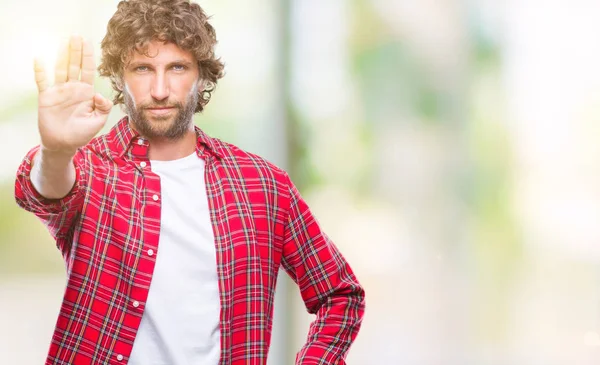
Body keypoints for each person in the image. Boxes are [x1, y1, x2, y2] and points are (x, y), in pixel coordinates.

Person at [14, 0, 365, 364]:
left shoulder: (261, 184)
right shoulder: (90, 169)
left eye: (177, 67)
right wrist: (55, 150)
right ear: (120, 77)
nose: (161, 89)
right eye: (143, 68)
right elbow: (41, 192)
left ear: (201, 74)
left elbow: (340, 295)